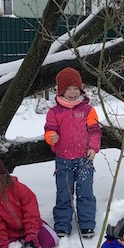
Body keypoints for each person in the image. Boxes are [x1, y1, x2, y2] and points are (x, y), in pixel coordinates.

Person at [44, 67, 101, 239]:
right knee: (64, 193)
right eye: (68, 89)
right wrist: (50, 137)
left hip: (84, 159)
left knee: (85, 192)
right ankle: (62, 225)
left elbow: (95, 131)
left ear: (81, 89)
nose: (72, 92)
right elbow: (49, 129)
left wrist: (93, 147)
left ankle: (87, 224)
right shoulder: (55, 112)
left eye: (76, 88)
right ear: (61, 90)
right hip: (63, 160)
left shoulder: (87, 110)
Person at [0, 154, 58, 248]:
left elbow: (31, 213)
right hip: (10, 231)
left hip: (29, 224)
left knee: (51, 241)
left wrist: (31, 234)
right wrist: (3, 246)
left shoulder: (19, 188)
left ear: (2, 174)